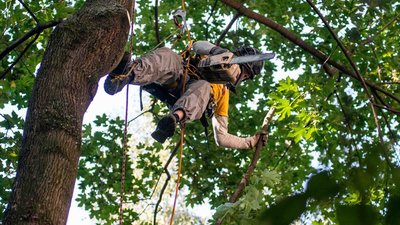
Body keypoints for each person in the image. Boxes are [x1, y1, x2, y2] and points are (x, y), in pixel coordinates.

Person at [104, 41, 266, 149]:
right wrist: (217, 51)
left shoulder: (223, 94)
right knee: (167, 55)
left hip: (190, 97)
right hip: (178, 74)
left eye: (245, 75)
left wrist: (250, 142)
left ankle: (172, 120)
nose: (240, 76)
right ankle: (125, 75)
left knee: (203, 86)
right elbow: (196, 45)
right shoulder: (215, 54)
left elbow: (221, 137)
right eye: (242, 71)